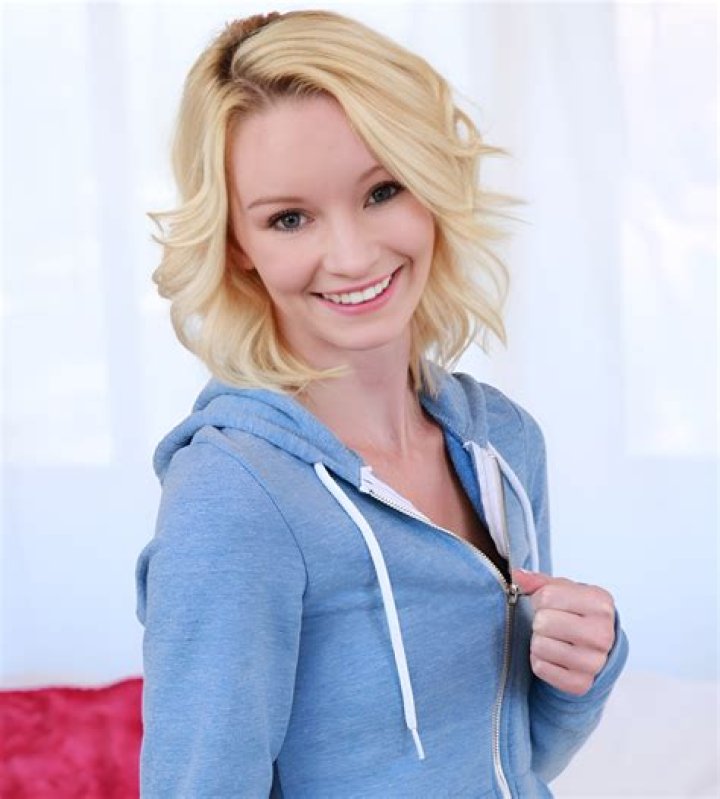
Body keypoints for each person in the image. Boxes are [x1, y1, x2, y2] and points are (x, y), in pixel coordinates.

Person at [135, 9, 628, 798]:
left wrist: (579, 675)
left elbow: (510, 760)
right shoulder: (236, 497)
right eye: (289, 218)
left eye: (382, 190)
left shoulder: (504, 442)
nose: (353, 253)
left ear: (430, 185)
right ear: (237, 245)